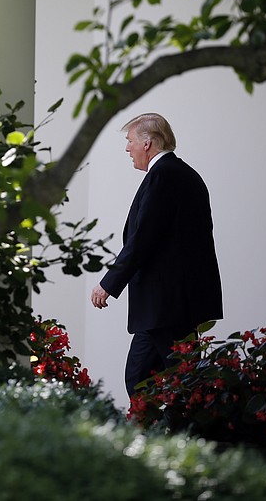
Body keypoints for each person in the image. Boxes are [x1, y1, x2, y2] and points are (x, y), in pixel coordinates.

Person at [90, 113, 223, 397]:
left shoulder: (163, 176)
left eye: (130, 141)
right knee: (143, 380)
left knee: (179, 386)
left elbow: (143, 240)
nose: (128, 148)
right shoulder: (185, 175)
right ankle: (156, 437)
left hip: (166, 305)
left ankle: (177, 437)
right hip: (169, 305)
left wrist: (108, 284)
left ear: (147, 143)